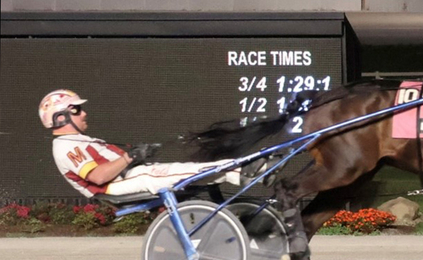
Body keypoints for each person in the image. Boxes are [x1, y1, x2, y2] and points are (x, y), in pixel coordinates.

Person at [39, 89, 261, 198]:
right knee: (163, 175)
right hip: (112, 187)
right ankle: (247, 168)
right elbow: (97, 177)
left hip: (127, 177)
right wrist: (130, 157)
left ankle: (245, 170)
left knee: (186, 170)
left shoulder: (77, 141)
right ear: (61, 118)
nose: (84, 113)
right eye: (76, 109)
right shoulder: (66, 147)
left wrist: (138, 155)